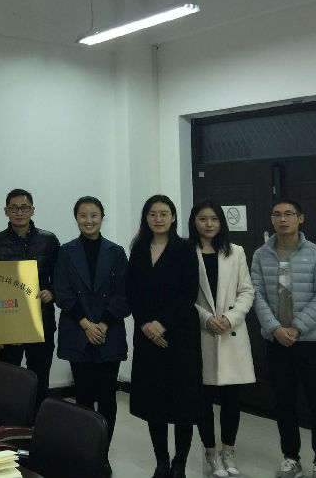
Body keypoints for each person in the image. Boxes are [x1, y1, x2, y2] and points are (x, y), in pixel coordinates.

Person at [251, 199, 316, 478]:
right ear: (271, 220)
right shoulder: (261, 255)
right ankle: (291, 458)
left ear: (301, 218)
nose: (283, 219)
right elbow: (256, 295)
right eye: (277, 214)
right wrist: (275, 328)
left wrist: (297, 328)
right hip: (276, 342)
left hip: (311, 342)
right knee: (284, 403)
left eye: (289, 214)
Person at [54, 196, 129, 478]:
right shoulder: (66, 251)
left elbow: (124, 293)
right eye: (83, 216)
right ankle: (84, 454)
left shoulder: (116, 252)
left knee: (108, 397)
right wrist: (87, 324)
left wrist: (104, 324)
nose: (89, 221)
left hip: (109, 332)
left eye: (94, 215)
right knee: (83, 397)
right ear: (76, 218)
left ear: (102, 217)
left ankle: (103, 455)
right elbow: (62, 292)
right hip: (78, 330)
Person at [127, 195, 201, 478]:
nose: (158, 219)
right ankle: (161, 461)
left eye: (164, 213)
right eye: (152, 214)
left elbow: (188, 293)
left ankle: (179, 463)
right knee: (153, 402)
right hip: (147, 337)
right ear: (145, 218)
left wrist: (162, 324)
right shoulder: (138, 249)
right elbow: (132, 292)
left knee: (183, 403)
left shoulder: (185, 249)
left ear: (173, 217)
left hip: (179, 336)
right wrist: (147, 325)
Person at [188, 200, 255, 478]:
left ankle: (228, 451)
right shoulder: (186, 252)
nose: (209, 224)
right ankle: (211, 454)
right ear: (194, 221)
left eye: (214, 219)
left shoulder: (235, 251)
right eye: (203, 219)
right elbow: (183, 295)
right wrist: (205, 317)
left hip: (230, 333)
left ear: (221, 222)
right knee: (203, 399)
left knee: (231, 399)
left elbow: (246, 291)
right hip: (202, 332)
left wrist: (230, 318)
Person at [0, 188, 60, 408]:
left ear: (32, 210)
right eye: (14, 208)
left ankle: (39, 424)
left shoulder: (49, 240)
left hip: (41, 320)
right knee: (8, 379)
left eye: (24, 208)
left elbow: (61, 277)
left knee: (40, 378)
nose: (19, 212)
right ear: (6, 211)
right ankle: (10, 424)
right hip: (8, 322)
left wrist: (52, 291)